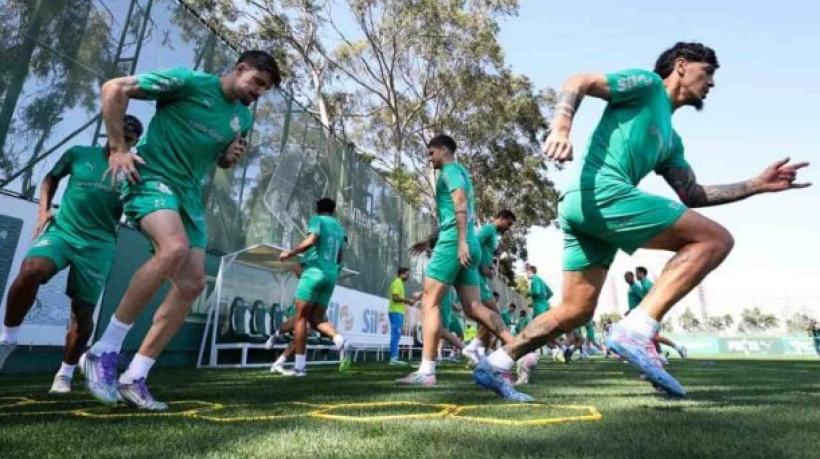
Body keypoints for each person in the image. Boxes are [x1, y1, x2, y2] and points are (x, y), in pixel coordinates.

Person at [475, 42, 809, 399]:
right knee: (716, 240)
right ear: (681, 65)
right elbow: (579, 80)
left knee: (576, 310)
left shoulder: (671, 141)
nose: (712, 83)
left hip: (583, 208)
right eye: (708, 72)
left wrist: (755, 185)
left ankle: (497, 363)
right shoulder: (648, 85)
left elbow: (692, 194)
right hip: (601, 192)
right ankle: (636, 328)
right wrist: (560, 128)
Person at [80, 50, 281, 410]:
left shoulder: (242, 118)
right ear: (240, 69)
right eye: (257, 83)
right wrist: (117, 148)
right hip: (151, 176)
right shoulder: (189, 82)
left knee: (192, 285)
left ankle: (135, 376)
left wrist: (227, 159)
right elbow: (114, 88)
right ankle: (103, 350)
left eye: (265, 90)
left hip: (188, 195)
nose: (259, 93)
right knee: (173, 248)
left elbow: (220, 158)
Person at [0, 116, 143, 394]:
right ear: (110, 131)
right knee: (32, 269)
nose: (123, 141)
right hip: (62, 232)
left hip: (98, 245)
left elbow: (140, 206)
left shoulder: (136, 170)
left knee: (83, 314)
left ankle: (64, 373)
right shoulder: (79, 154)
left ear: (135, 142)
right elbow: (50, 178)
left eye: (130, 139)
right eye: (120, 134)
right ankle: (7, 339)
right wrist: (43, 211)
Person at [397, 135, 521, 398]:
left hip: (456, 242)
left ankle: (426, 371)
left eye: (431, 153)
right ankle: (519, 348)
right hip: (465, 241)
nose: (429, 158)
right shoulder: (461, 171)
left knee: (430, 302)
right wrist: (435, 241)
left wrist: (461, 240)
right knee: (474, 307)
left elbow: (460, 203)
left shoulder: (450, 170)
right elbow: (451, 214)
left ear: (444, 150)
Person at [276, 198, 347, 377]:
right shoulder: (340, 229)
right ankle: (339, 338)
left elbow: (312, 239)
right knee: (316, 319)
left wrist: (290, 253)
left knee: (300, 319)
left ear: (318, 209)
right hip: (331, 276)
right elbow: (339, 257)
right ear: (333, 210)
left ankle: (300, 367)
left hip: (314, 273)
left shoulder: (318, 220)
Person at [462, 211, 516, 364]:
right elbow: (473, 246)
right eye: (508, 224)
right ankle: (474, 347)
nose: (508, 228)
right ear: (501, 218)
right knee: (494, 314)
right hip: (476, 274)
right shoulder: (488, 229)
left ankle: (478, 350)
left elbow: (485, 253)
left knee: (488, 317)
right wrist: (481, 267)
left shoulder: (493, 234)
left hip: (481, 276)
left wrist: (496, 254)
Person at [634, 267, 687, 361]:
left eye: (637, 273)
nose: (636, 275)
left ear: (642, 273)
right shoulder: (643, 285)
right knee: (652, 337)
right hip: (650, 313)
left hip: (655, 312)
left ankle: (679, 348)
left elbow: (657, 295)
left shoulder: (647, 284)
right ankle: (661, 357)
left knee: (653, 336)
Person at [387, 267, 415, 365]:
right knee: (395, 335)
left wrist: (407, 302)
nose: (408, 277)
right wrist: (407, 301)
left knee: (397, 335)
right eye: (407, 274)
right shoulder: (397, 282)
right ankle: (393, 358)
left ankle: (394, 357)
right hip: (395, 312)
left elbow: (398, 298)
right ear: (401, 273)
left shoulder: (400, 284)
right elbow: (395, 298)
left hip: (398, 312)